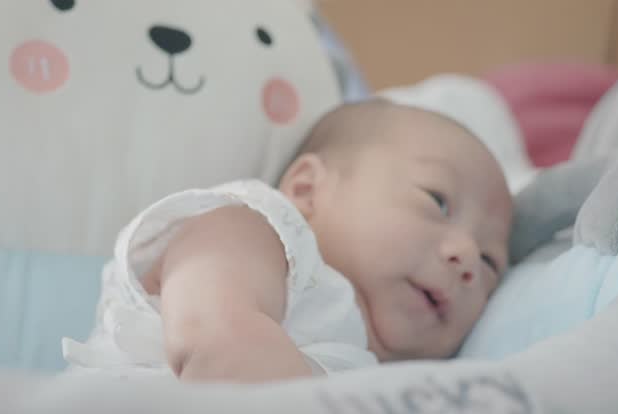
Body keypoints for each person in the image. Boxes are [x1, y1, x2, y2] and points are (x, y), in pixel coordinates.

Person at [63, 99, 512, 383]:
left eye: (491, 263)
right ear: (306, 189)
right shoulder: (263, 230)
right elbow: (211, 326)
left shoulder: (391, 376)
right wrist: (227, 339)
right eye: (438, 200)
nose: (468, 257)